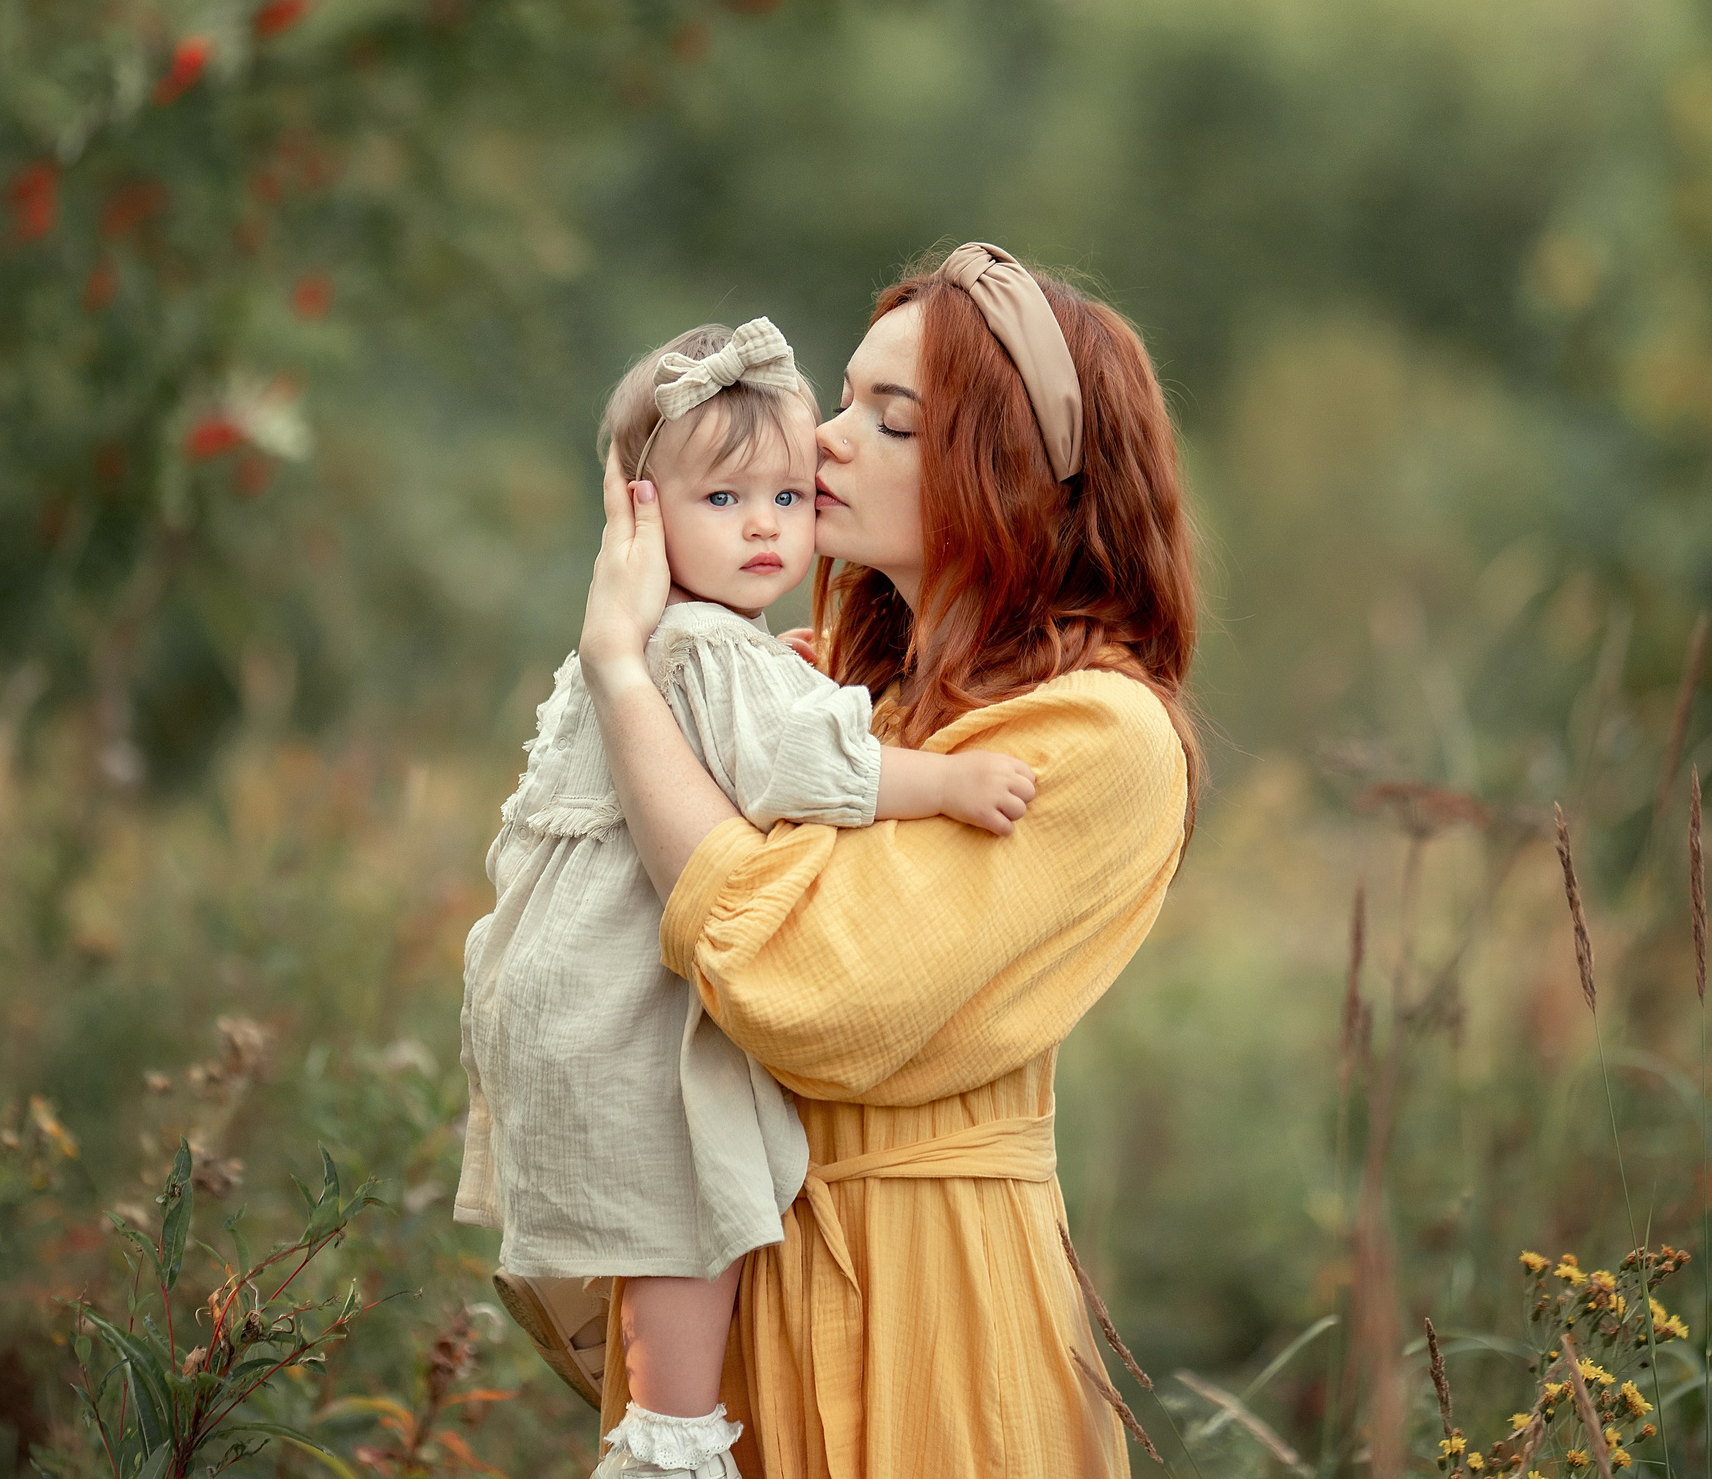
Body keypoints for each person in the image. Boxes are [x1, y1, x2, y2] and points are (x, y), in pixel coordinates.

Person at [574, 244, 1201, 1479]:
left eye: (890, 420)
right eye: (844, 399)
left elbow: (800, 980)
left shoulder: (1096, 734)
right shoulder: (828, 693)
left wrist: (620, 676)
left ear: (1013, 466)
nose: (823, 440)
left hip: (928, 1300)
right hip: (736, 1284)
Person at [455, 317, 1045, 1479]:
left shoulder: (680, 646)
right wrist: (946, 778)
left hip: (560, 981)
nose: (769, 524)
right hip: (625, 995)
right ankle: (670, 1444)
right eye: (723, 502)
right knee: (685, 1203)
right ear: (639, 518)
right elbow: (804, 772)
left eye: (783, 495)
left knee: (668, 1214)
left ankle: (661, 1421)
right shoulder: (702, 651)